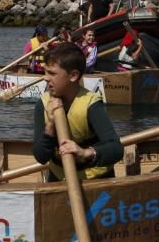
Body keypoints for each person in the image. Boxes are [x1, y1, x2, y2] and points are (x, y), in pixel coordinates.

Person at [33, 43, 123, 182]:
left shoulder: (91, 105)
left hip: (96, 179)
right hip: (59, 177)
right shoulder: (43, 105)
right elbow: (41, 157)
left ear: (73, 75)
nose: (46, 78)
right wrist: (50, 126)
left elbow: (116, 149)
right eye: (45, 72)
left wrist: (85, 153)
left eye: (52, 73)